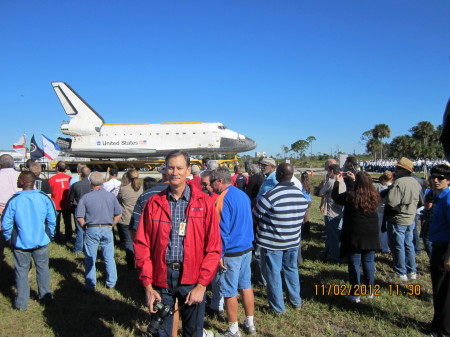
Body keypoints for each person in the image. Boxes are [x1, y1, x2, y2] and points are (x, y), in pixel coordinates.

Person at [134, 150, 221, 337]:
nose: (175, 172)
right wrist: (148, 286)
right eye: (171, 167)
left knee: (193, 332)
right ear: (165, 170)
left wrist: (202, 286)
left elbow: (213, 248)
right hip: (161, 278)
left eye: (180, 168)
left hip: (193, 279)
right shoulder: (153, 203)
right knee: (161, 333)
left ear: (188, 169)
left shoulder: (204, 203)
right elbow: (142, 245)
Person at [253, 163, 307, 313]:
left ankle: (277, 307)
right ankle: (296, 301)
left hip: (272, 243)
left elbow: (256, 214)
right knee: (291, 269)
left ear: (280, 175)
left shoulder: (270, 195)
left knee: (273, 274)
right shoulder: (300, 194)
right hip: (293, 241)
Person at [211, 166, 256, 336]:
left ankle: (233, 328)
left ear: (220, 181)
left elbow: (222, 230)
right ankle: (250, 323)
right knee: (246, 286)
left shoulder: (222, 198)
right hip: (246, 247)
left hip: (231, 251)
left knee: (229, 291)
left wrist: (219, 254)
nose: (211, 187)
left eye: (213, 183)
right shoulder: (242, 194)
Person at [1, 171, 56, 310]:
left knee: (21, 272)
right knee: (43, 269)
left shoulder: (14, 200)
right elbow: (52, 218)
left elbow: (6, 223)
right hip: (40, 241)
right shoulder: (43, 198)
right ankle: (45, 297)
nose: (17, 180)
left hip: (21, 243)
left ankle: (21, 303)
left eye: (19, 178)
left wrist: (9, 238)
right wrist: (49, 235)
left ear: (24, 181)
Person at [332, 171, 380, 303]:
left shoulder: (351, 195)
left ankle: (355, 293)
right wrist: (353, 181)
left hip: (354, 234)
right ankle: (370, 290)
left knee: (354, 263)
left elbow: (335, 197)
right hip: (371, 234)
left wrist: (337, 181)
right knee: (369, 262)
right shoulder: (375, 195)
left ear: (357, 183)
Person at [76, 171, 122, 290]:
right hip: (107, 228)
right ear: (102, 182)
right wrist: (112, 224)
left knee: (90, 257)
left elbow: (79, 217)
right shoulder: (111, 196)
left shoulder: (85, 197)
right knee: (109, 257)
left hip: (92, 228)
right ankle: (111, 282)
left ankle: (90, 284)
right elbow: (118, 214)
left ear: (90, 182)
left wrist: (84, 227)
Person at [385, 157, 421, 281]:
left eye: (398, 168)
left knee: (398, 245)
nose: (396, 169)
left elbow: (391, 201)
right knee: (409, 244)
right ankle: (412, 270)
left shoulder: (399, 183)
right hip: (411, 217)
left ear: (405, 170)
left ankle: (401, 272)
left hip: (399, 218)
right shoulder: (415, 182)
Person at [427, 164, 450, 336]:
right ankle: (437, 324)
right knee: (438, 289)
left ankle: (444, 329)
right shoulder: (439, 196)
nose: (435, 180)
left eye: (440, 178)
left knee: (444, 291)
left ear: (448, 180)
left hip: (445, 249)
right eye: (433, 177)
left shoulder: (448, 199)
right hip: (437, 245)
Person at [129, 165, 170, 240]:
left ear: (162, 174)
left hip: (151, 243)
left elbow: (134, 226)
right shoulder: (183, 194)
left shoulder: (146, 195)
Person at [117, 169, 143, 269]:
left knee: (128, 242)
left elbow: (118, 201)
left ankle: (131, 265)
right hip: (138, 218)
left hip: (126, 218)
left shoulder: (123, 189)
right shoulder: (141, 188)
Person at [320, 164, 345, 263]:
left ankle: (336, 257)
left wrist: (323, 186)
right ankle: (326, 252)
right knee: (332, 234)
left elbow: (321, 193)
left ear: (331, 171)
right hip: (339, 211)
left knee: (333, 236)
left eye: (328, 171)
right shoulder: (342, 181)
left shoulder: (330, 181)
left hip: (331, 211)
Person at [0, 154, 21, 263]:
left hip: (2, 212)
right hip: (19, 212)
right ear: (13, 164)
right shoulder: (22, 176)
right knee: (20, 244)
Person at [48, 161, 72, 243]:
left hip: (56, 204)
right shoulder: (69, 178)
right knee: (68, 222)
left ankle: (56, 237)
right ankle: (68, 237)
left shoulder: (52, 179)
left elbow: (49, 193)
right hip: (67, 203)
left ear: (57, 168)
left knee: (56, 222)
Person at [69, 166, 92, 254]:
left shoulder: (76, 185)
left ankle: (78, 249)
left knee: (79, 230)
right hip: (90, 209)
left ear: (81, 174)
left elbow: (71, 198)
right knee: (89, 229)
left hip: (78, 208)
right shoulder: (92, 185)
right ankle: (88, 248)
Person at [375, 171, 393, 253]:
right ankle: (387, 247)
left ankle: (382, 246)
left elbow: (377, 199)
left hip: (380, 209)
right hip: (389, 210)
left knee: (381, 230)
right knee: (388, 230)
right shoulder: (393, 187)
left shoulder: (380, 187)